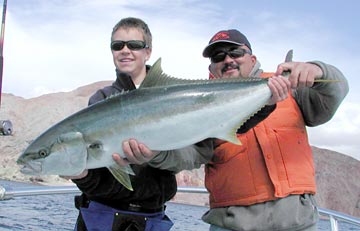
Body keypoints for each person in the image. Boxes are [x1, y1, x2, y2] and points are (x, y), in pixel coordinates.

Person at [126, 29, 349, 231]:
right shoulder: (198, 105)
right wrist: (156, 153)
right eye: (219, 56)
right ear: (211, 68)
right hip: (231, 225)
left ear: (252, 59)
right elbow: (188, 154)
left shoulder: (289, 88)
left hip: (297, 223)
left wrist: (317, 70)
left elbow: (336, 90)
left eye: (236, 52)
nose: (228, 59)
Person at [67, 17, 213, 231]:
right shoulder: (100, 100)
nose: (125, 50)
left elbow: (197, 153)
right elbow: (96, 175)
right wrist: (80, 175)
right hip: (101, 214)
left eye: (134, 45)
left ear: (148, 52)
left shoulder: (175, 100)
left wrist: (157, 156)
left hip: (152, 217)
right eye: (118, 46)